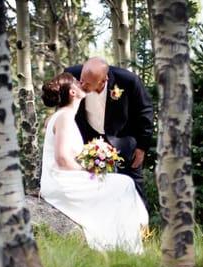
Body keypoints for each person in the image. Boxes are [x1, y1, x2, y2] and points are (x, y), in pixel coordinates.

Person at [39, 72, 148, 254]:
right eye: (76, 82)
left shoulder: (63, 116)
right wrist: (89, 169)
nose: (80, 83)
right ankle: (126, 246)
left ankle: (124, 242)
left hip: (65, 178)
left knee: (121, 184)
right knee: (125, 184)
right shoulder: (64, 118)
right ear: (73, 92)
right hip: (62, 183)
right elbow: (62, 159)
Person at [65, 58, 154, 205]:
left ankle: (141, 225)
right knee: (88, 185)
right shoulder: (71, 75)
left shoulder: (128, 81)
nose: (82, 85)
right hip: (87, 139)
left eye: (88, 83)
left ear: (103, 80)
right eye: (82, 80)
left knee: (133, 185)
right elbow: (63, 106)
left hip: (122, 138)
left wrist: (142, 147)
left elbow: (145, 111)